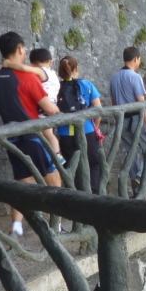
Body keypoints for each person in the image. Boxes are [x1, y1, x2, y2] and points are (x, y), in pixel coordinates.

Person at [0, 31, 62, 239]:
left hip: (11, 137)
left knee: (23, 181)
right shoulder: (28, 77)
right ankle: (56, 225)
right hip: (33, 136)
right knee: (54, 179)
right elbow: (49, 109)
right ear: (20, 49)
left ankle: (16, 226)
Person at [109, 46, 146, 193]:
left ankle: (137, 191)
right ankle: (141, 178)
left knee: (132, 154)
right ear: (136, 59)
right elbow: (141, 103)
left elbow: (113, 104)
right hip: (137, 118)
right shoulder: (135, 77)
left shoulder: (114, 77)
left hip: (122, 119)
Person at [55, 56, 102, 194]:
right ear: (77, 68)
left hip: (64, 133)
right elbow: (98, 109)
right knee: (93, 163)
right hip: (86, 130)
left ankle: (76, 196)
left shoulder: (57, 86)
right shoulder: (86, 85)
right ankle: (93, 194)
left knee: (71, 166)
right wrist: (96, 126)